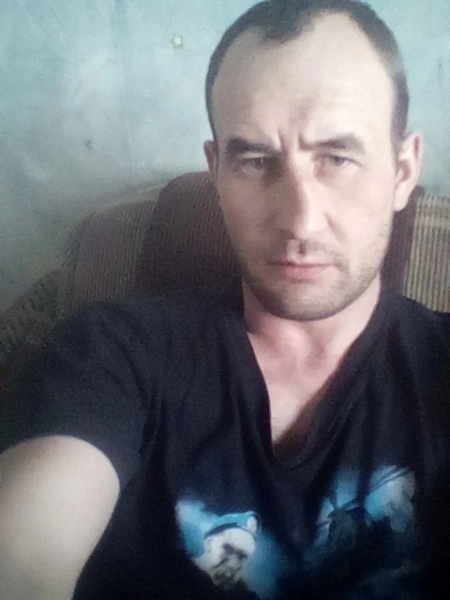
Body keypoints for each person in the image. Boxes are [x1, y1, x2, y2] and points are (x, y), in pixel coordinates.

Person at [0, 0, 449, 598]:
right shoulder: (110, 354)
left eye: (337, 158)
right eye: (256, 161)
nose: (300, 221)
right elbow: (24, 551)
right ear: (215, 172)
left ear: (402, 170)